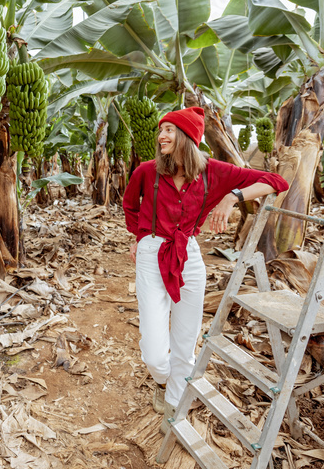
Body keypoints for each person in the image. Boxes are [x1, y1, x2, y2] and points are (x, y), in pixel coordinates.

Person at [122, 106, 289, 422]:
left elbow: (277, 181)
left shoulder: (214, 172)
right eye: (161, 131)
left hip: (189, 253)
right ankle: (162, 379)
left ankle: (174, 406)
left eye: (169, 131)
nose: (161, 137)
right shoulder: (146, 171)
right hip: (152, 252)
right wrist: (139, 236)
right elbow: (130, 206)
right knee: (155, 352)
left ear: (187, 137)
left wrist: (232, 197)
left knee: (185, 340)